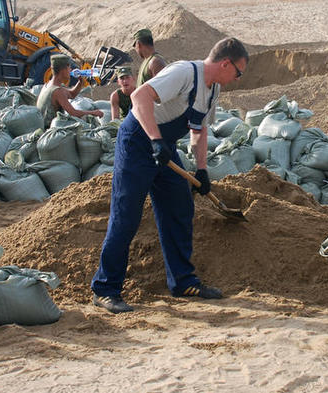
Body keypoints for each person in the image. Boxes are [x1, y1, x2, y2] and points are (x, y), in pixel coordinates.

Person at [90, 37, 248, 314]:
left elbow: (198, 130)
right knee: (126, 216)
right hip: (139, 142)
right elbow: (139, 97)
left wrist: (202, 169)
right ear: (226, 63)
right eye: (239, 73)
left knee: (179, 206)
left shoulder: (212, 91)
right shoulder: (184, 72)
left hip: (164, 148)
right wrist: (154, 139)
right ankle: (105, 289)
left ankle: (183, 282)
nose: (238, 79)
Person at [35, 54, 103, 128]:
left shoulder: (49, 85)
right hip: (49, 128)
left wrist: (80, 82)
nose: (70, 69)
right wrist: (93, 112)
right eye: (69, 67)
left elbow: (71, 94)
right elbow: (73, 113)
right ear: (63, 70)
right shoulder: (57, 91)